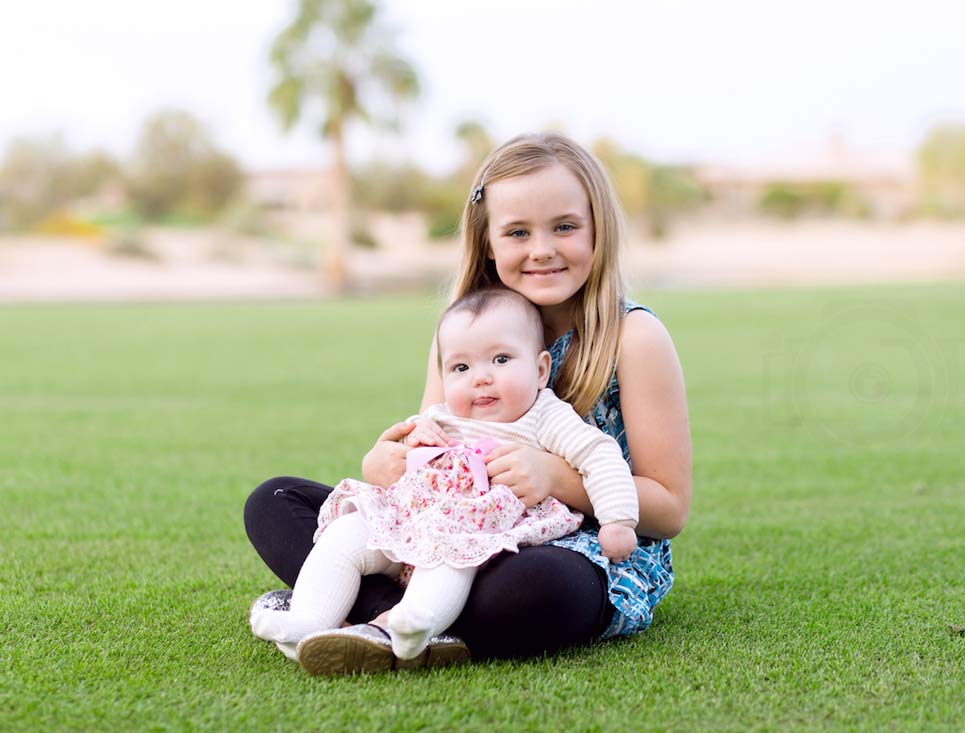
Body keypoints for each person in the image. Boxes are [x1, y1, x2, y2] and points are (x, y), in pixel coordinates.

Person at [243, 131, 692, 672]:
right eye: (518, 232)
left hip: (578, 548)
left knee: (534, 587)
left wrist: (556, 479)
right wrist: (388, 463)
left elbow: (668, 509)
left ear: (600, 231)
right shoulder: (461, 333)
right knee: (275, 503)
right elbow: (434, 449)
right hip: (452, 529)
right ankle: (406, 624)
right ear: (488, 243)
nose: (542, 249)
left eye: (566, 227)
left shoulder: (632, 337)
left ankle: (368, 617)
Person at [249, 288, 639, 664]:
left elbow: (600, 454)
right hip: (410, 521)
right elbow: (403, 460)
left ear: (540, 370)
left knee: (455, 558)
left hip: (478, 533)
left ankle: (411, 623)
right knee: (341, 534)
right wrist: (407, 445)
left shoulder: (545, 415)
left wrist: (617, 519)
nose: (480, 378)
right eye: (461, 368)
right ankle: (309, 621)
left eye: (501, 360)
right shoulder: (444, 416)